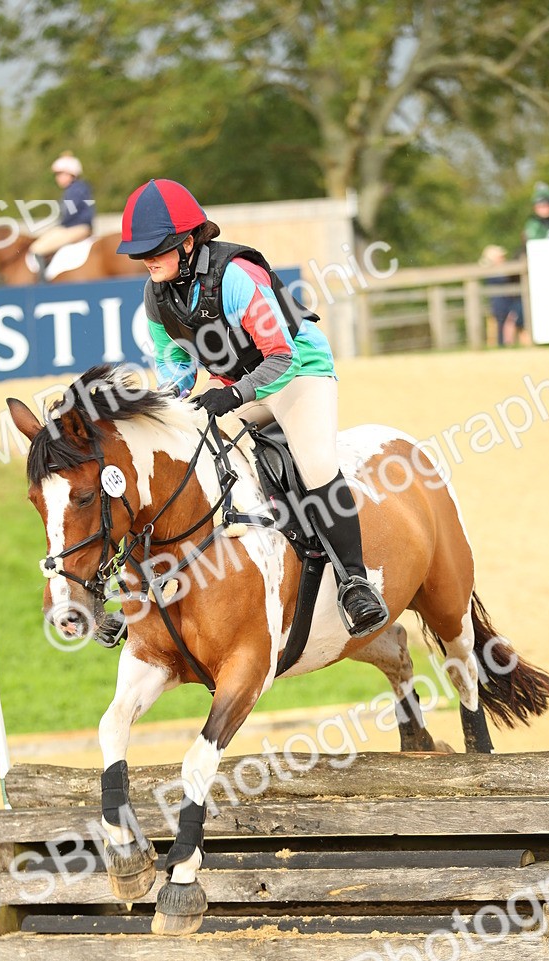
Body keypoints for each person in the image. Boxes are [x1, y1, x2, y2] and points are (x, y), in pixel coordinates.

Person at [115, 178, 389, 640]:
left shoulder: (237, 275)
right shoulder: (156, 294)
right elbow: (174, 362)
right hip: (239, 384)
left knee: (316, 464)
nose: (146, 259)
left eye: (155, 249)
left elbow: (281, 357)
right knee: (193, 456)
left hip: (298, 372)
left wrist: (234, 395)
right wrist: (172, 397)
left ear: (187, 243)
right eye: (140, 252)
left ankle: (355, 583)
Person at [30, 153, 95, 260]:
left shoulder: (75, 190)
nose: (57, 178)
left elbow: (69, 213)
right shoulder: (77, 188)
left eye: (60, 174)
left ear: (70, 174)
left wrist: (59, 225)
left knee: (37, 249)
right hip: (77, 226)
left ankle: (44, 272)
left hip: (77, 228)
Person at [479, 245, 526, 347]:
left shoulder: (499, 270)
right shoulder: (493, 272)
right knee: (506, 321)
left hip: (507, 303)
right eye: (500, 257)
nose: (503, 259)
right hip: (502, 305)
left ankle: (508, 343)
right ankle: (505, 344)